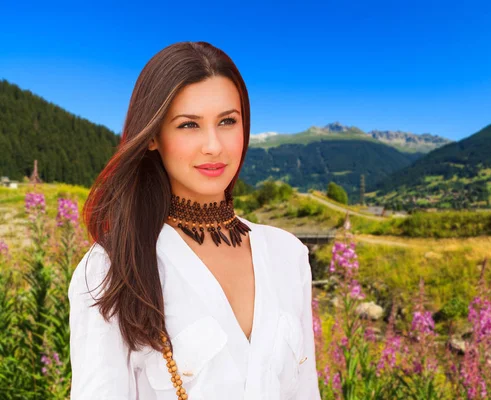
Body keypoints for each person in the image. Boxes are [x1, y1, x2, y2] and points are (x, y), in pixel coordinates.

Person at [68, 41, 321, 400]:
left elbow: (305, 392)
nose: (213, 145)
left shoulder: (287, 254)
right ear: (153, 136)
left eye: (227, 121)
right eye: (189, 125)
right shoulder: (112, 267)